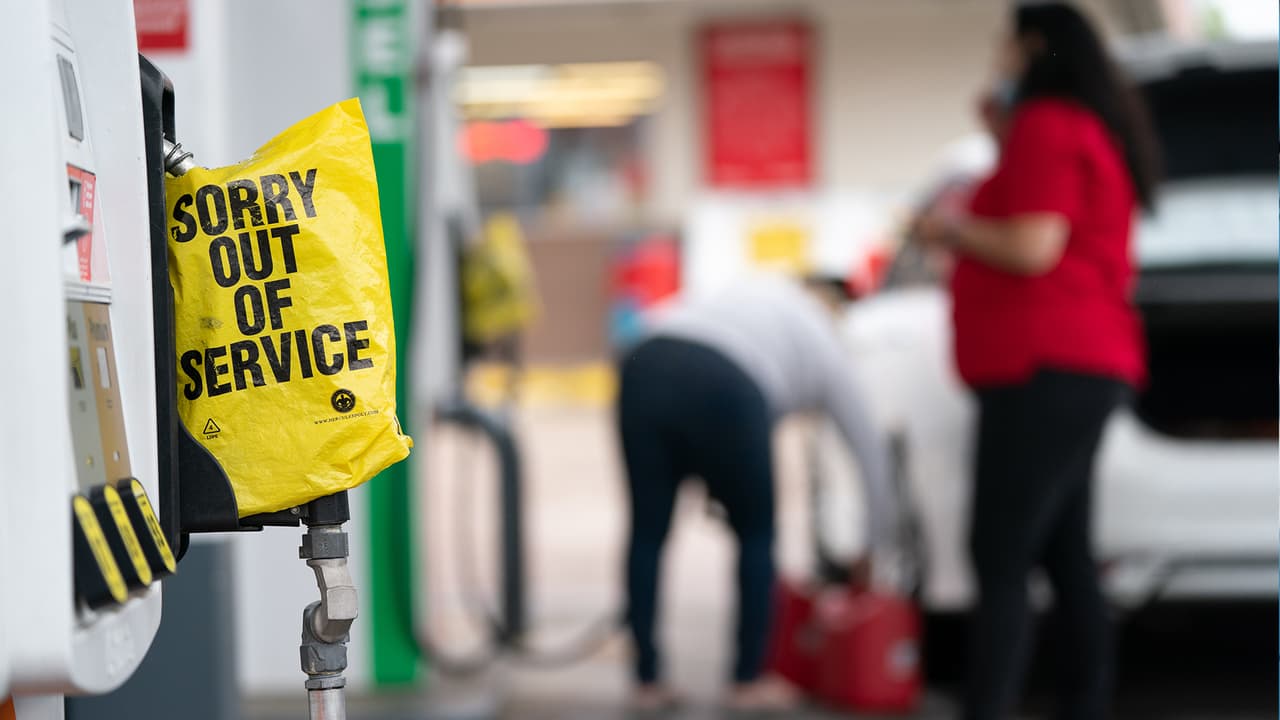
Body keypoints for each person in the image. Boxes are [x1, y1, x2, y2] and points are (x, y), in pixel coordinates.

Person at [916, 4, 1159, 719]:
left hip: (1044, 367)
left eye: (1006, 44)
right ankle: (1085, 704)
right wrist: (1001, 139)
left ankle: (989, 707)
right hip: (1078, 365)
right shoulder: (1074, 129)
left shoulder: (1049, 125)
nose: (998, 57)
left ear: (1034, 46)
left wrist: (949, 229)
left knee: (998, 553)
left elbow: (1033, 247)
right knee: (1062, 553)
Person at [615, 273, 894, 712]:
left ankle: (646, 679)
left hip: (644, 362)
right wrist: (873, 549)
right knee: (757, 534)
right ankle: (748, 679)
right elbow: (869, 452)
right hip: (728, 382)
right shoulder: (827, 342)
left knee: (647, 533)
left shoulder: (749, 290)